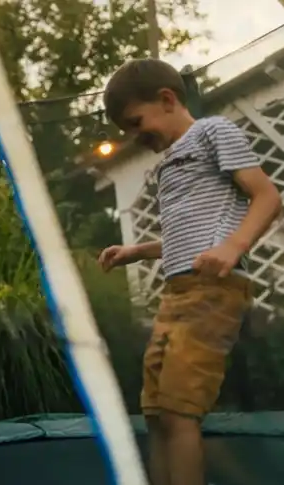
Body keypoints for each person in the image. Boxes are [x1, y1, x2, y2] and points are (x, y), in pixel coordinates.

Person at [98, 58, 281, 485]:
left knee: (180, 411)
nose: (136, 136)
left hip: (212, 290)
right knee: (157, 411)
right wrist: (136, 250)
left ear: (167, 99)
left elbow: (268, 197)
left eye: (136, 122)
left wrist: (233, 247)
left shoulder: (212, 131)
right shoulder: (167, 165)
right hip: (177, 292)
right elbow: (185, 241)